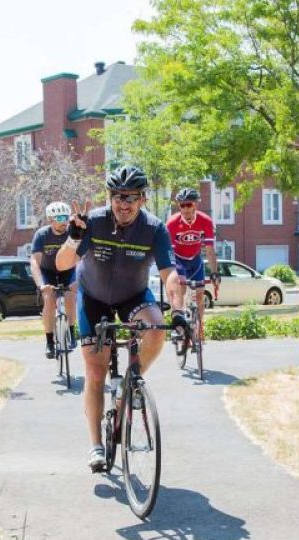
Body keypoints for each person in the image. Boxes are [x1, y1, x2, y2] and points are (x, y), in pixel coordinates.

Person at [55, 165, 181, 473]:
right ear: (110, 197)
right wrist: (73, 238)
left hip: (132, 296)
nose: (124, 204)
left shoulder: (154, 228)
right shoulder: (93, 222)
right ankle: (97, 445)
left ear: (143, 199)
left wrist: (178, 311)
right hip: (94, 298)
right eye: (118, 197)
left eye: (131, 198)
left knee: (155, 330)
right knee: (96, 371)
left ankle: (130, 382)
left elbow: (170, 274)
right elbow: (61, 265)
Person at [166, 187, 219, 344]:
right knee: (180, 289)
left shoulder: (206, 221)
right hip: (178, 260)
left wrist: (215, 272)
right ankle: (180, 328)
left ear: (196, 204)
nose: (186, 208)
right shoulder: (172, 224)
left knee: (201, 293)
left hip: (195, 260)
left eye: (189, 204)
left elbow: (209, 250)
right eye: (182, 205)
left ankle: (198, 327)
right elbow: (169, 254)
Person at [30, 201, 78, 359]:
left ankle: (71, 332)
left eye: (66, 217)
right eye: (60, 217)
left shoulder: (72, 232)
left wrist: (78, 280)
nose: (64, 221)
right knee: (49, 299)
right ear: (51, 219)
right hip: (47, 272)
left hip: (68, 270)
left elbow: (82, 257)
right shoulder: (42, 235)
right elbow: (35, 262)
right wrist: (41, 285)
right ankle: (50, 342)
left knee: (71, 295)